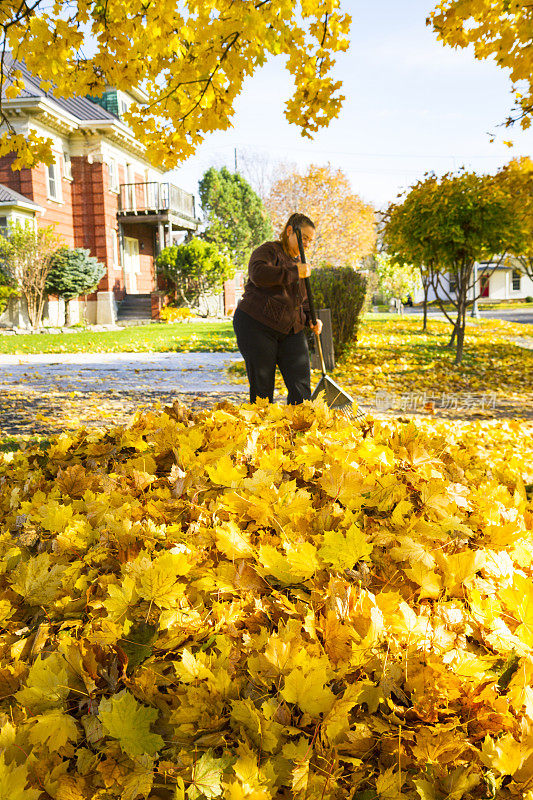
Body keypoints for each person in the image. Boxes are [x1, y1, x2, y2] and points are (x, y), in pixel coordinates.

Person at [233, 212, 323, 405]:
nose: (307, 243)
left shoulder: (301, 264)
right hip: (256, 325)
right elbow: (258, 274)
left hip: (291, 330)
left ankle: (300, 428)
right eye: (304, 238)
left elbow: (303, 299)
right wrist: (294, 272)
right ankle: (262, 431)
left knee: (301, 385)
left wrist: (311, 319)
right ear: (290, 231)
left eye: (311, 240)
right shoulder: (269, 251)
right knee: (262, 388)